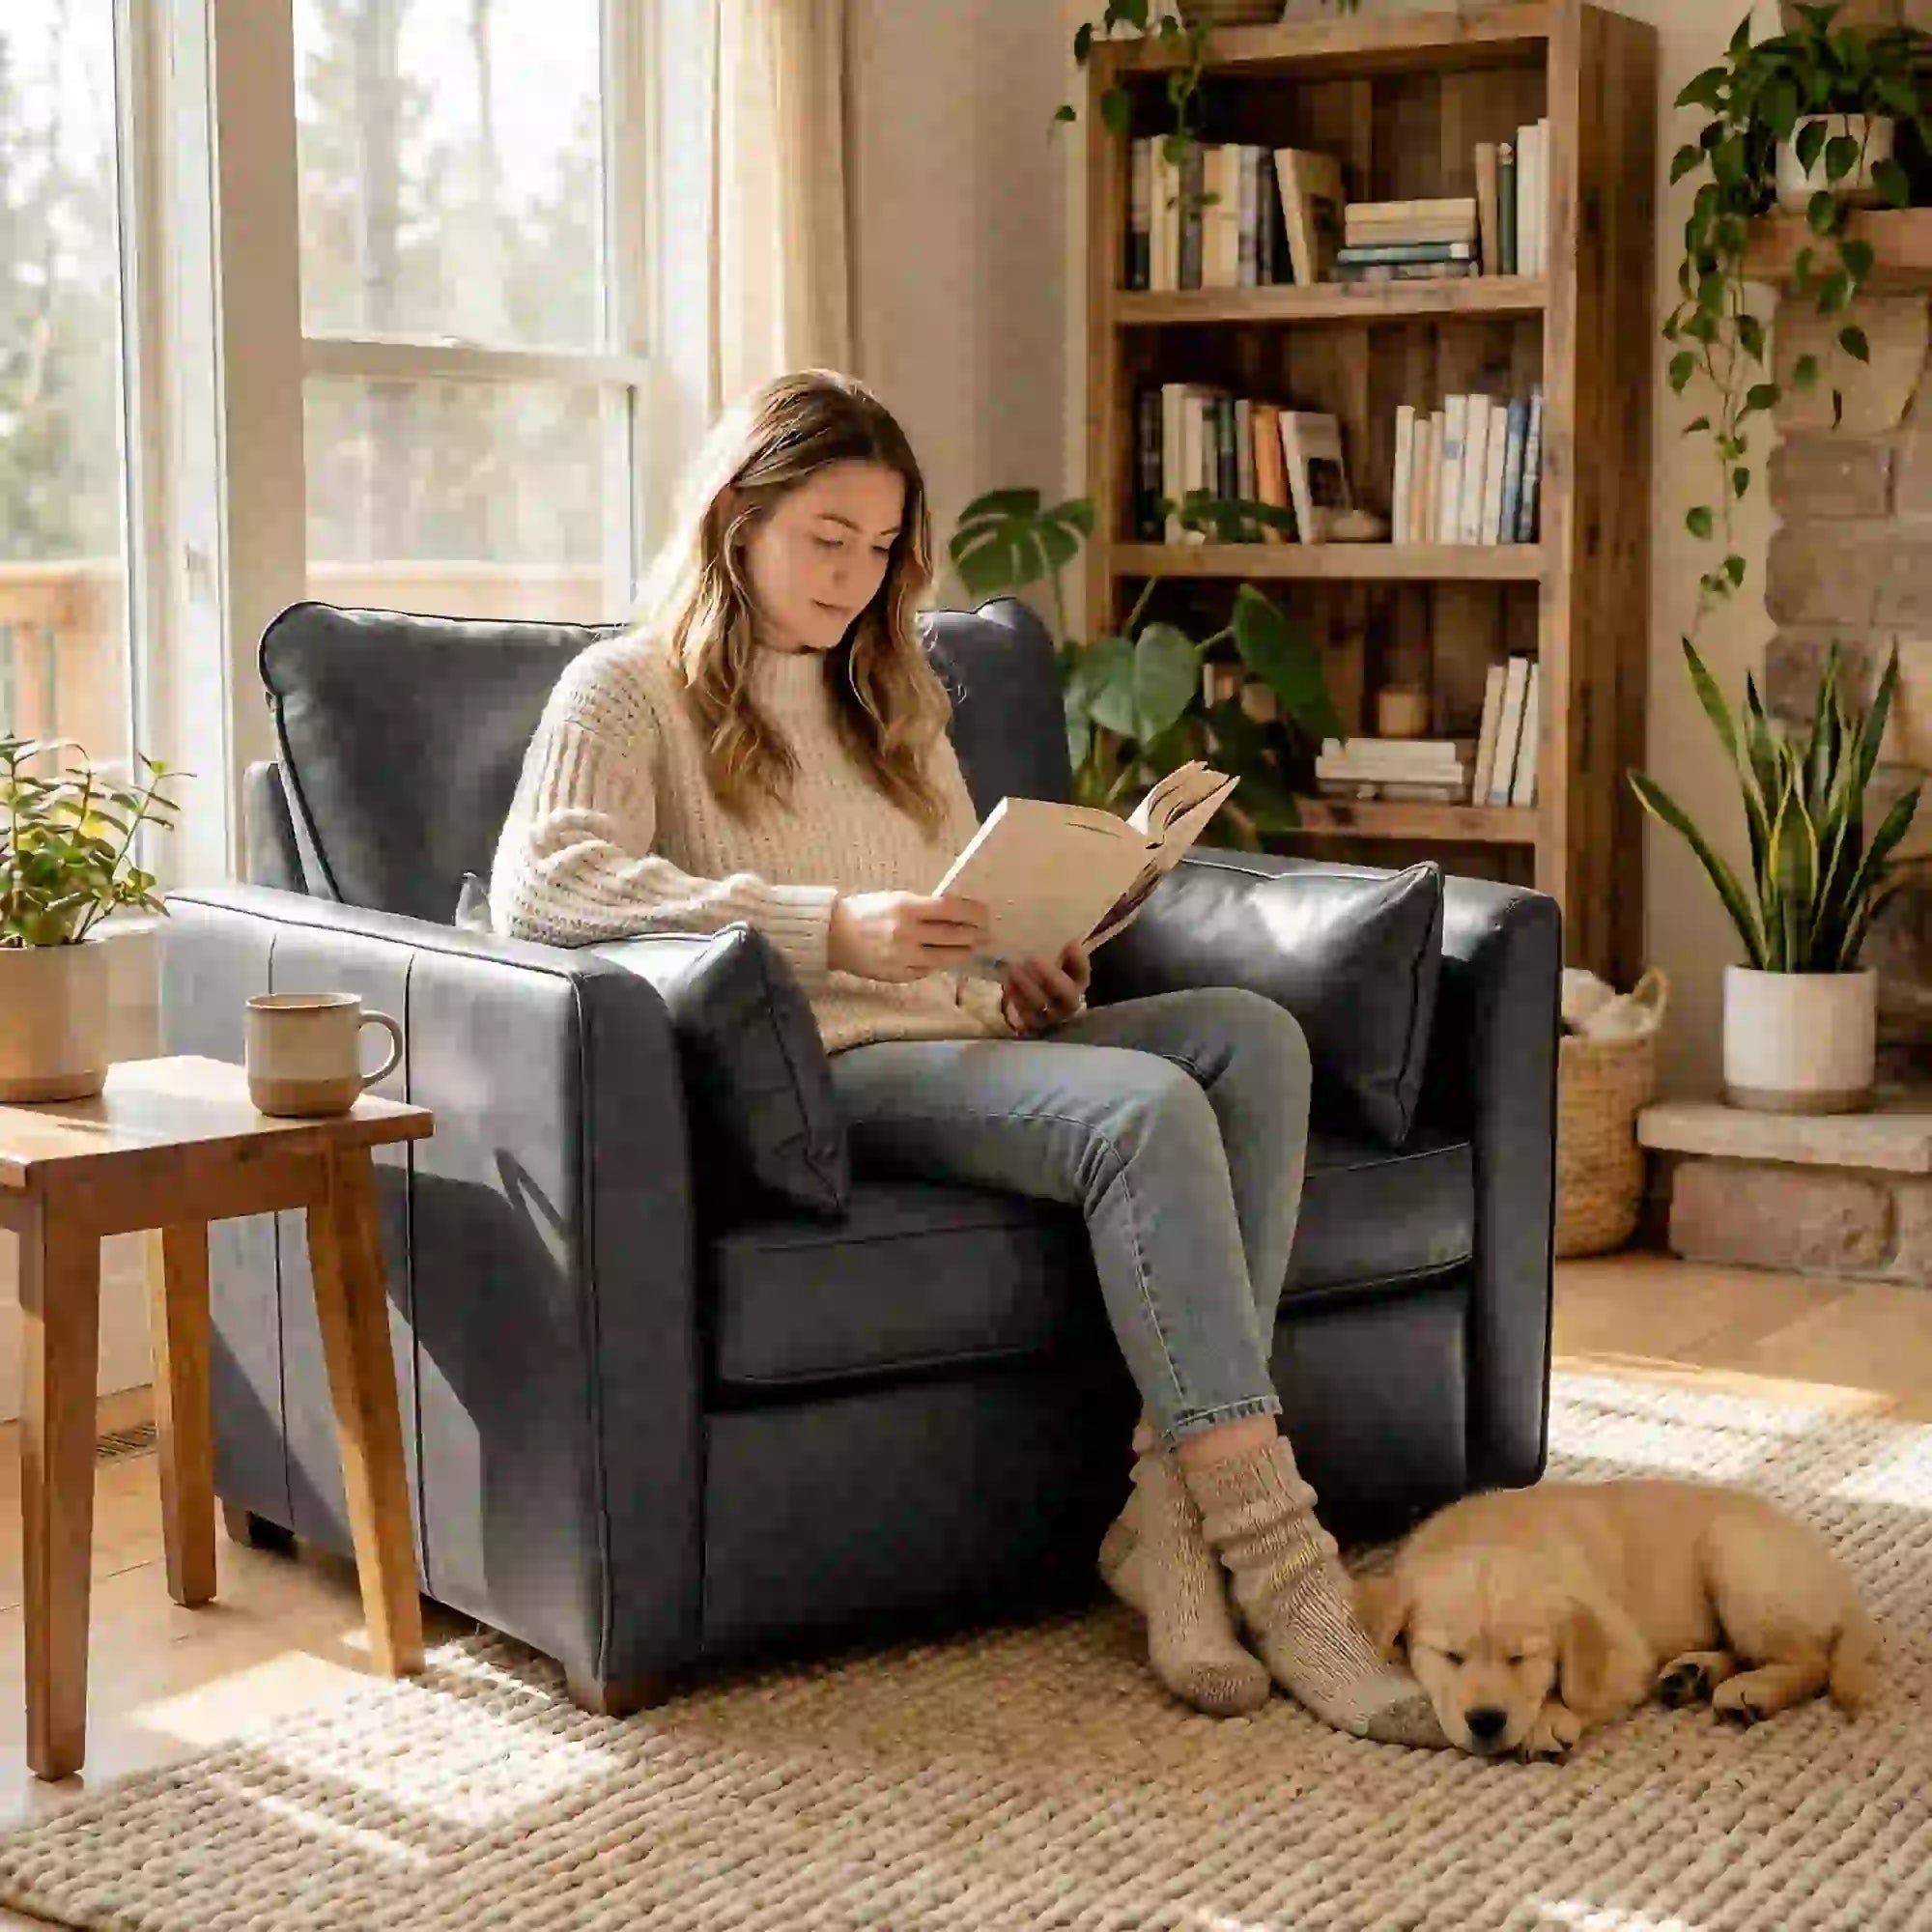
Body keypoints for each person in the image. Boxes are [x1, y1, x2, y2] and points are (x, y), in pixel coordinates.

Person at [489, 369, 1444, 1747]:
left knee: (1253, 1042)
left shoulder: (897, 693)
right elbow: (548, 889)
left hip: (954, 1044)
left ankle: (1168, 1532)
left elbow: (955, 935)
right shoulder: (625, 690)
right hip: (830, 1071)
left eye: (880, 550)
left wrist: (1022, 976)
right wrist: (830, 928)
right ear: (737, 514)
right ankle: (1287, 1572)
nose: (855, 577)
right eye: (827, 538)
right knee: (1142, 1114)